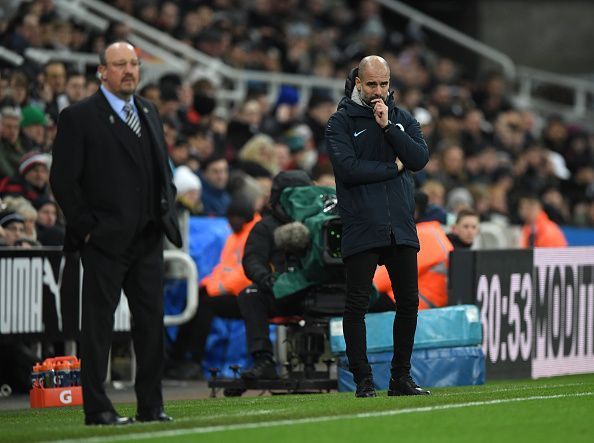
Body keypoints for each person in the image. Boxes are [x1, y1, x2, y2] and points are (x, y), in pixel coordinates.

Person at [50, 41, 181, 426]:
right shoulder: (79, 116)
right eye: (120, 64)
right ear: (101, 72)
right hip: (105, 240)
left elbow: (163, 172)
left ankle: (151, 405)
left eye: (134, 64)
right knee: (98, 328)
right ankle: (98, 407)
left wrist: (165, 208)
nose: (129, 71)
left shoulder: (148, 111)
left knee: (151, 326)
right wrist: (88, 228)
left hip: (147, 238)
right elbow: (63, 180)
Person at [326, 55, 430, 397]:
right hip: (361, 223)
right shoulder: (340, 122)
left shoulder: (401, 119)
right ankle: (363, 381)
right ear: (358, 82)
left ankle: (400, 378)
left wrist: (388, 128)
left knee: (409, 303)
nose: (378, 91)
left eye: (384, 84)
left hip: (400, 224)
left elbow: (418, 159)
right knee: (357, 305)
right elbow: (348, 169)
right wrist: (391, 169)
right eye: (372, 84)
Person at [238, 170, 312, 380]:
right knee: (251, 294)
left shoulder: (322, 219)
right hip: (286, 292)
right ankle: (263, 360)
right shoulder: (266, 227)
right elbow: (252, 260)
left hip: (325, 289)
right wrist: (266, 279)